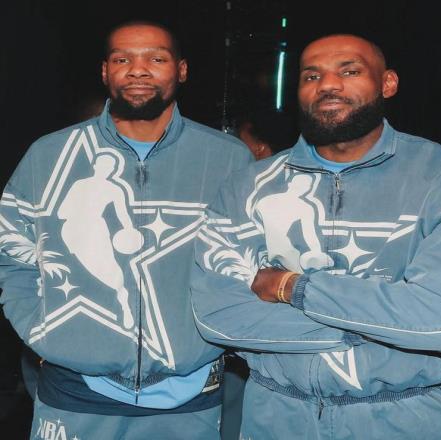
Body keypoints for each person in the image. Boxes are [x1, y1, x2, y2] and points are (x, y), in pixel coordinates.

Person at [190, 34, 441, 439]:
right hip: (277, 415)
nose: (328, 85)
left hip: (408, 416)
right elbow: (218, 316)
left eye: (349, 71)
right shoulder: (247, 186)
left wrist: (291, 288)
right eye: (311, 76)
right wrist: (384, 327)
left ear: (387, 83)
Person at [0, 20, 252, 439]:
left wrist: (211, 342)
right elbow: (11, 252)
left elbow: (248, 264)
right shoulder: (50, 155)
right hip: (75, 390)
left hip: (191, 395)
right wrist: (43, 331)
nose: (138, 70)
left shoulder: (228, 158)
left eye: (156, 58)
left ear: (182, 70)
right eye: (122, 59)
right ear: (105, 71)